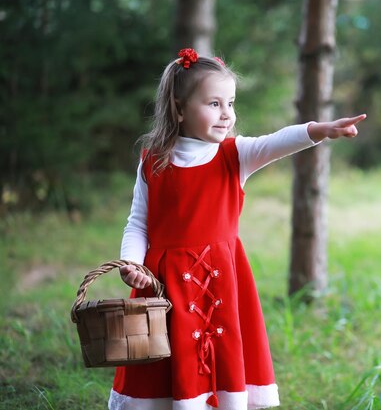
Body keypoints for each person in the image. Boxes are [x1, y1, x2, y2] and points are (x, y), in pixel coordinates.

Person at [109, 48, 366, 410]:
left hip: (221, 281)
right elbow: (138, 221)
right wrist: (131, 264)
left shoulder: (236, 155)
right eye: (213, 104)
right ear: (179, 108)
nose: (227, 114)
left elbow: (277, 141)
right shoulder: (153, 161)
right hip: (165, 282)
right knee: (168, 360)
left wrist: (319, 131)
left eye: (230, 103)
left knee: (224, 353)